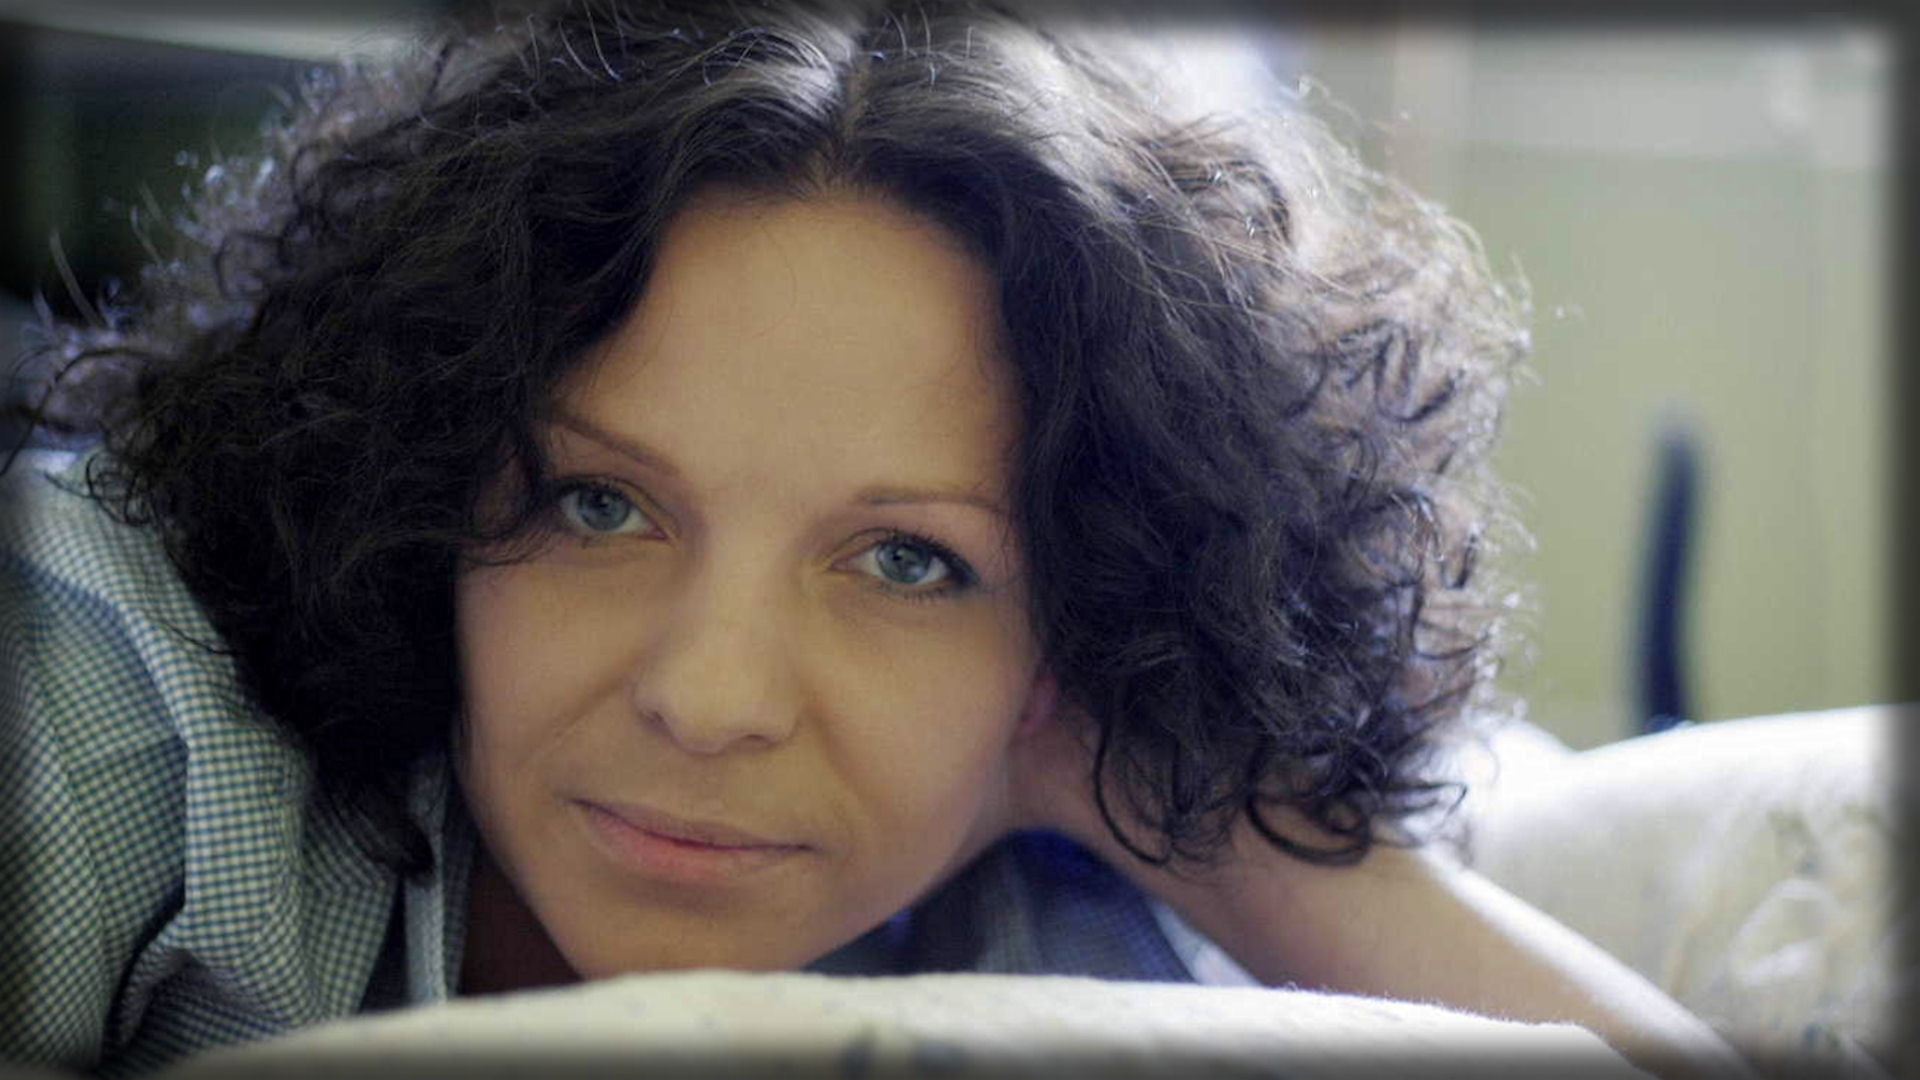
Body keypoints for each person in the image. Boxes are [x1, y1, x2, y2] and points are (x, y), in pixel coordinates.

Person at [0, 1, 1752, 1077]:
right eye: (597, 503)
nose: (710, 695)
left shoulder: (1051, 932)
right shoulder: (102, 710)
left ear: (1084, 618)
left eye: (908, 561)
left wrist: (1227, 838)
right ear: (420, 477)